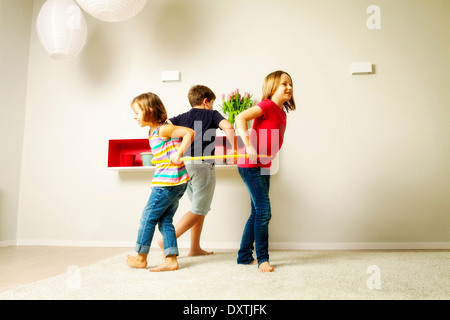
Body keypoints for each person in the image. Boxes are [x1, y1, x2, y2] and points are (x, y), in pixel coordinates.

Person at [158, 85, 236, 256]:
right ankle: (166, 241)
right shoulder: (212, 114)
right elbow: (229, 127)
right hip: (203, 166)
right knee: (199, 209)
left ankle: (194, 248)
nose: (213, 107)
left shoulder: (183, 117)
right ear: (206, 101)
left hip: (185, 166)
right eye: (212, 103)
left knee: (198, 207)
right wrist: (233, 150)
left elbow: (162, 129)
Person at [234, 70, 296, 272]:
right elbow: (240, 117)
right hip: (250, 165)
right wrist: (249, 146)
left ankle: (244, 256)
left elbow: (271, 136)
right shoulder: (267, 105)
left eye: (290, 84)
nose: (289, 87)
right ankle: (262, 259)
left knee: (257, 211)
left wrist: (271, 151)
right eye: (283, 84)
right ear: (271, 88)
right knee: (263, 212)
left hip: (263, 165)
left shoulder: (281, 112)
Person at [126, 92, 195, 272]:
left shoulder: (163, 129)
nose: (134, 116)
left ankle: (141, 257)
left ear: (149, 111)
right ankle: (171, 259)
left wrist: (178, 153)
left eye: (137, 112)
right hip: (175, 182)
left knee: (147, 217)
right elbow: (164, 151)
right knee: (165, 220)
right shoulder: (153, 132)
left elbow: (190, 133)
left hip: (167, 184)